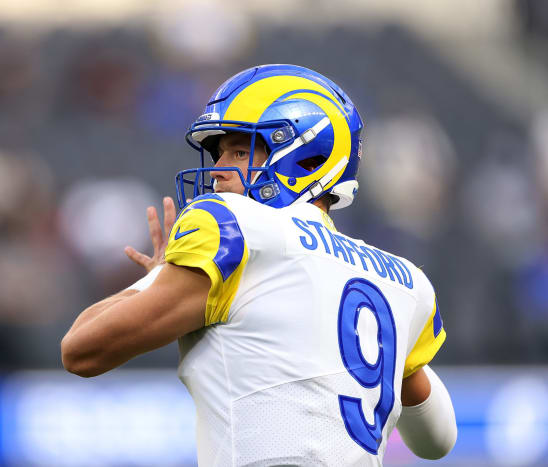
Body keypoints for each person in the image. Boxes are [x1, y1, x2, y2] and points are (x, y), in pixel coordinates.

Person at [61, 64, 457, 466]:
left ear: (307, 156)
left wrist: (161, 277)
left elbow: (81, 350)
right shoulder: (405, 283)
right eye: (219, 153)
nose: (217, 170)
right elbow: (438, 440)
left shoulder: (236, 227)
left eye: (238, 150)